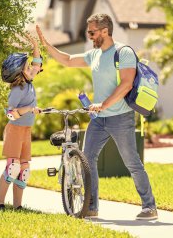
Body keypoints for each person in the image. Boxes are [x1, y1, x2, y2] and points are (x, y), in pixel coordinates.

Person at [36, 13, 157, 220]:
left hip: (120, 117)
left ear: (104, 31)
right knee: (87, 158)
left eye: (92, 32)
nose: (90, 36)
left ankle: (149, 206)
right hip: (98, 119)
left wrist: (104, 104)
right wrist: (46, 45)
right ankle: (91, 206)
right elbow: (67, 60)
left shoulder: (123, 52)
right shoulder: (94, 54)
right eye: (88, 32)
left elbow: (126, 84)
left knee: (131, 162)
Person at [0, 33, 42, 211]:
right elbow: (10, 114)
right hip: (15, 130)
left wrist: (35, 44)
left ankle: (18, 206)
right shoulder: (18, 90)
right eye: (28, 68)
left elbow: (37, 62)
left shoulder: (29, 82)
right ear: (19, 73)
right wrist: (29, 109)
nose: (32, 68)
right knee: (13, 168)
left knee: (24, 170)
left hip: (26, 130)